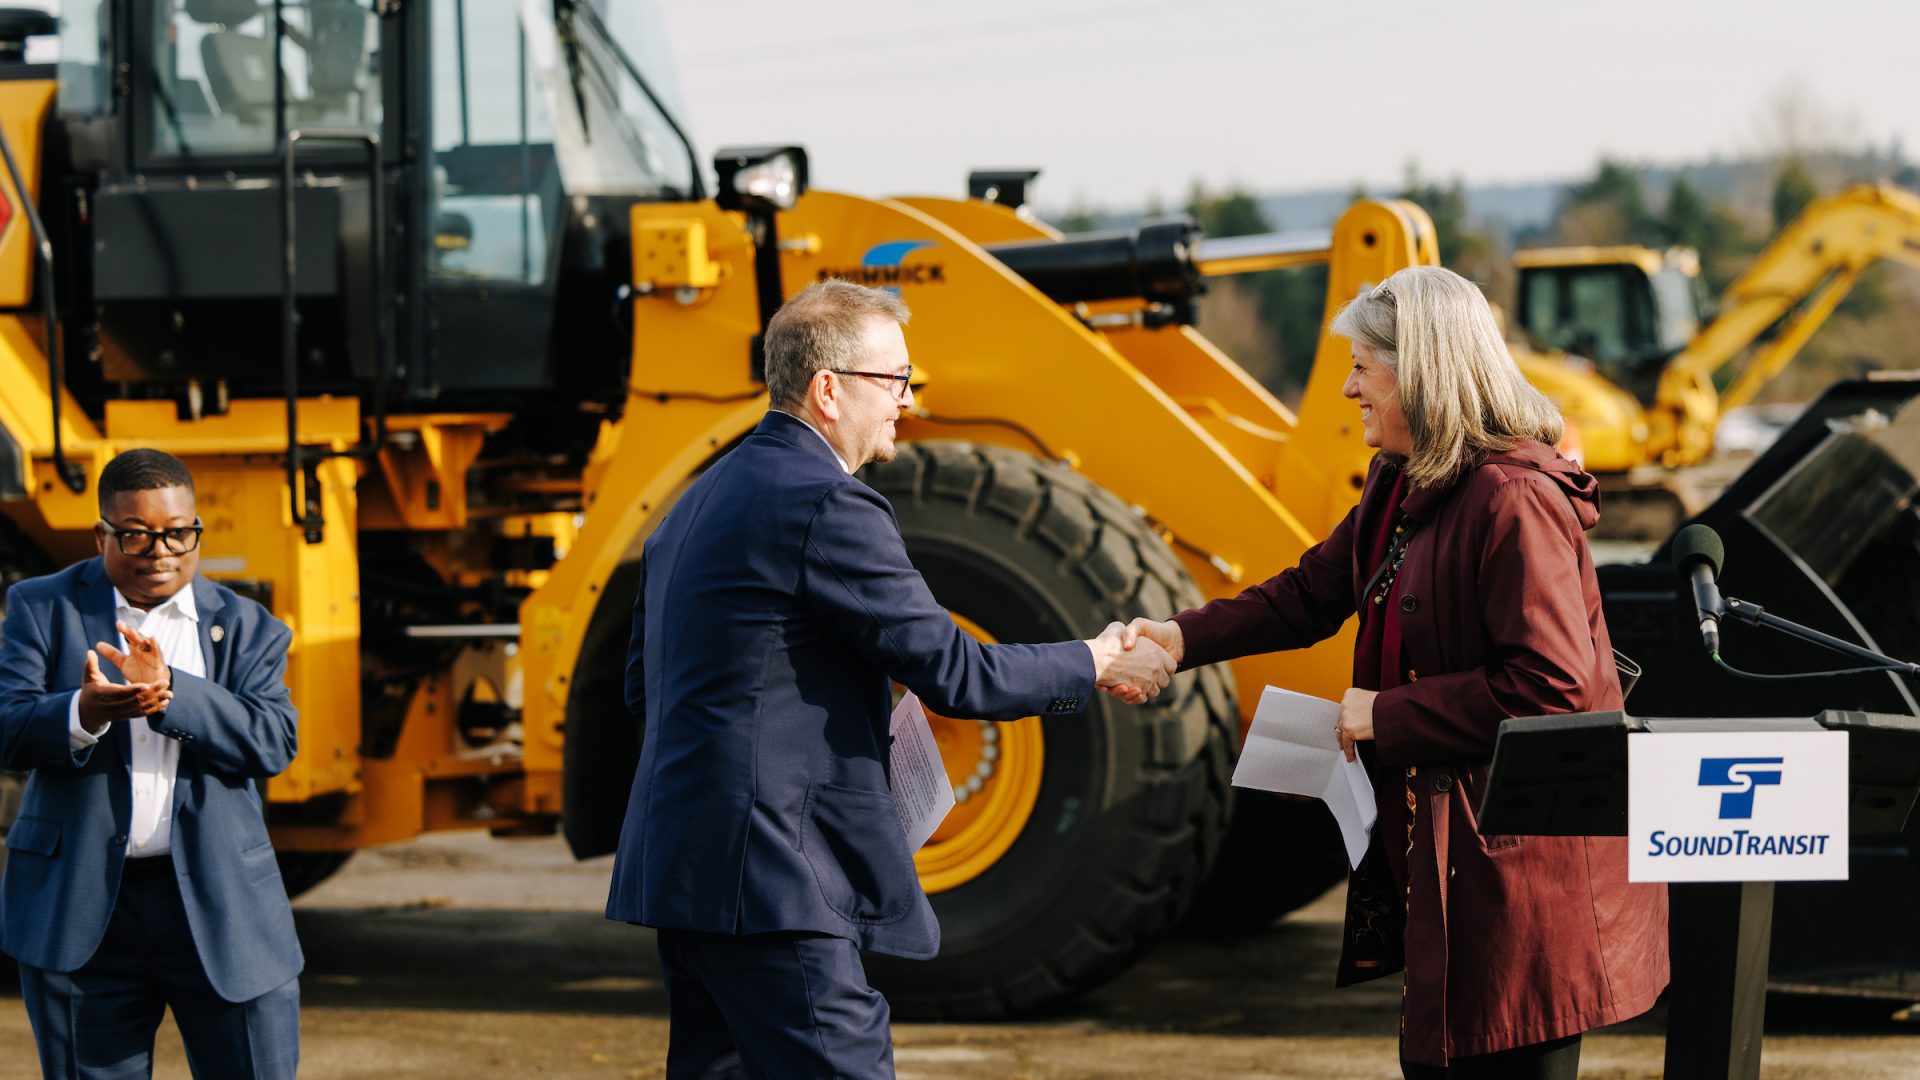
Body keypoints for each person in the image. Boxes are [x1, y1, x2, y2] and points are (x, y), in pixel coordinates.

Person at [605, 280, 1176, 1078]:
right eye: (895, 380)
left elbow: (648, 687)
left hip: (686, 876)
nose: (908, 399)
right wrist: (1095, 658)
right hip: (777, 882)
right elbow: (956, 674)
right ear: (828, 390)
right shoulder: (829, 503)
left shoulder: (692, 503)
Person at [1124, 266, 1668, 1078]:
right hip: (1463, 864)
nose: (1348, 388)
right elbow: (1311, 594)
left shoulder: (1515, 499)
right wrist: (1175, 637)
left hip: (1527, 889)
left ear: (1420, 371)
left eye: (1361, 367)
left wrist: (1389, 716)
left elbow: (1552, 687)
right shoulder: (1402, 481)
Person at [0, 449, 302, 1079]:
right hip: (82, 913)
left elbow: (273, 741)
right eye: (137, 534)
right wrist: (84, 712)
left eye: (178, 532)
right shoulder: (39, 606)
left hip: (223, 910)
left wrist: (173, 693)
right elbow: (8, 727)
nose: (160, 550)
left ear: (195, 529)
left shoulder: (250, 627)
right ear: (102, 534)